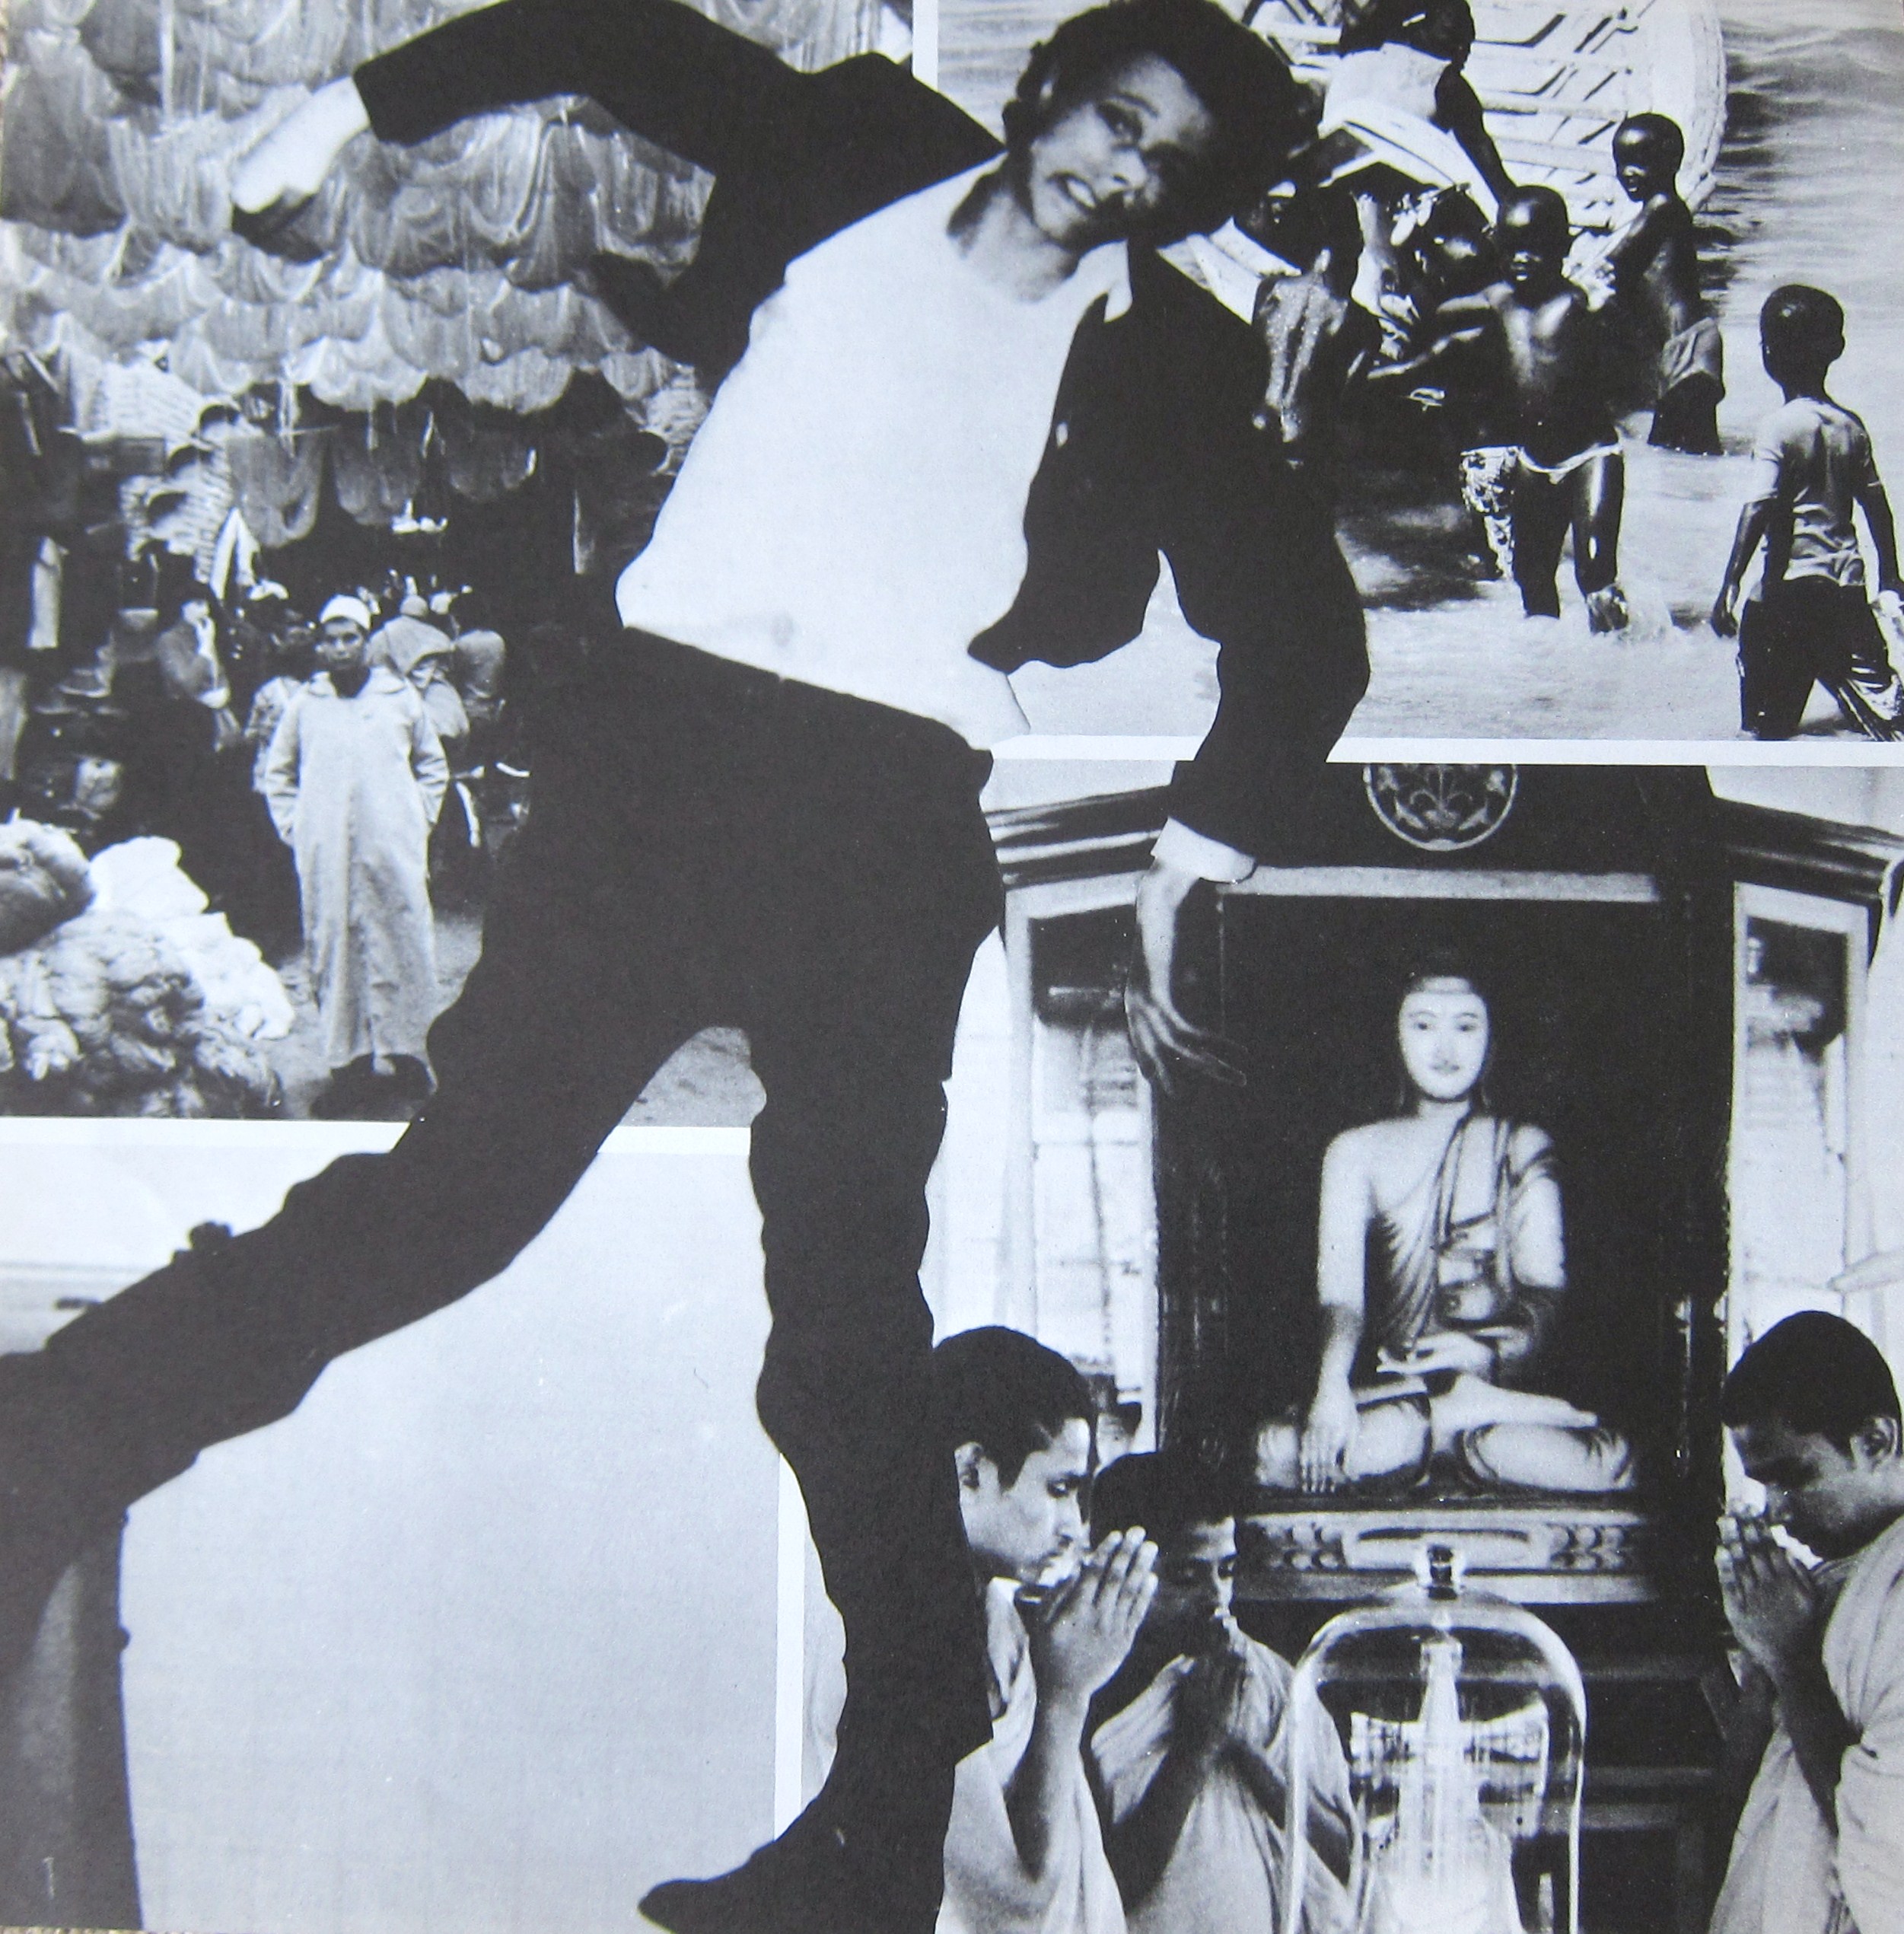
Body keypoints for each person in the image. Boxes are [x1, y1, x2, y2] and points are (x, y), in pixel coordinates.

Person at [0, 4, 1367, 1932]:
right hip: (659, 759)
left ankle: (874, 1835)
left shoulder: (1177, 360)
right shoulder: (858, 148)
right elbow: (609, 32)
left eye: (1167, 168)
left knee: (845, 1324)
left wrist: (1188, 857)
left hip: (883, 813)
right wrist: (349, 110)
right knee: (459, 1198)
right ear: (1050, 87)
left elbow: (1305, 637)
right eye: (1111, 120)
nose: (1117, 176)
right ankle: (53, 1443)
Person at [1255, 959, 1632, 1496]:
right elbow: (1342, 1300)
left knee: (1606, 1460)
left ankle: (1465, 1420)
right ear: (1394, 1033)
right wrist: (1332, 1389)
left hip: (1497, 1394)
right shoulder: (1355, 1151)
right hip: (1402, 1396)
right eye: (1424, 1024)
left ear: (1493, 1037)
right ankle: (1456, 1422)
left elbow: (1544, 1295)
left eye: (1466, 1025)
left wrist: (1482, 1353)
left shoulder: (1520, 1144)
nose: (1445, 1048)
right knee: (1275, 1452)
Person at [934, 1327, 1157, 1934]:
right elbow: (1012, 1910)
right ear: (970, 1471)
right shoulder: (900, 1647)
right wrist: (1066, 1692)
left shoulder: (996, 1614)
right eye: (1059, 1488)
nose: (1075, 1526)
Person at [1086, 1452, 1354, 1934]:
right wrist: (1197, 1748)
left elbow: (1345, 1857)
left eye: (1226, 1571)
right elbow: (1099, 1891)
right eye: (1186, 1578)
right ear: (1117, 1568)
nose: (1216, 1597)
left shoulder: (1272, 1680)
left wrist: (1246, 1750)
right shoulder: (1084, 1692)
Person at [1708, 1313, 1904, 1934]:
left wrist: (1791, 1658)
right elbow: (1741, 1808)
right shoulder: (1827, 1579)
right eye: (1764, 1485)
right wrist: (1762, 1648)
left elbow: (1887, 1856)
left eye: (1794, 1477)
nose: (1776, 1511)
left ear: (1876, 1440)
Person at [1370, 186, 1629, 629]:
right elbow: (1442, 311)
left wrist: (1609, 309)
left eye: (1535, 247)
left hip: (1591, 456)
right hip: (1533, 462)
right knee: (1532, 580)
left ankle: (1621, 658)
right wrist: (1413, 287)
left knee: (1595, 575)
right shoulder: (1499, 301)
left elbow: (1622, 352)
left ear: (1563, 248)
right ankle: (1547, 666)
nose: (1522, 258)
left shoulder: (1580, 303)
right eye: (1511, 247)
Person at [262, 593, 447, 1115]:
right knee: (334, 946)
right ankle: (350, 1065)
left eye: (350, 638)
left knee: (403, 940)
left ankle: (407, 1054)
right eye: (331, 639)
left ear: (367, 642)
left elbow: (432, 765)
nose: (341, 648)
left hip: (391, 849)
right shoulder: (306, 705)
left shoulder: (399, 698)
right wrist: (298, 828)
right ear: (319, 646)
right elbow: (278, 773)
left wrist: (417, 820)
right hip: (328, 854)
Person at [1711, 285, 1904, 743]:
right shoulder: (1851, 427)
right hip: (1845, 594)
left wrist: (1730, 583)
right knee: (1888, 721)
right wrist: (1891, 577)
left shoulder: (1778, 428)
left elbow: (1759, 506)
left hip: (1786, 598)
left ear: (1769, 353)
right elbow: (1877, 509)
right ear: (1834, 349)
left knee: (1765, 731)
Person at [1247, 189, 1380, 505]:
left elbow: (1252, 364)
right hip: (1305, 442)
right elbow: (1346, 412)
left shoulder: (1269, 291)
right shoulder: (1363, 325)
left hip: (1256, 425)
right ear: (1354, 244)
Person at [1603, 114, 1722, 455]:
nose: (1628, 172)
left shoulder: (1661, 208)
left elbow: (1616, 261)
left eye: (1639, 163)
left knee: (1673, 445)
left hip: (1685, 345)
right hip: (1690, 343)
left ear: (1670, 164)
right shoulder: (1664, 209)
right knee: (1689, 446)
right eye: (1621, 163)